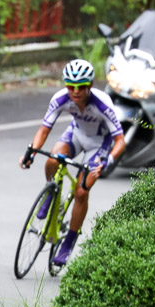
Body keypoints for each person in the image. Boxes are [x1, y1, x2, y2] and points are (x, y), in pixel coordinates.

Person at [19, 59, 126, 265]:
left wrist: (108, 161)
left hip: (99, 144)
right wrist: (31, 152)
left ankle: (68, 242)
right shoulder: (60, 98)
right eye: (70, 86)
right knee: (52, 160)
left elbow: (120, 141)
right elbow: (44, 130)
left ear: (90, 86)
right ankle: (51, 194)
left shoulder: (102, 104)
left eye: (81, 87)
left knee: (81, 191)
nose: (75, 91)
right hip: (76, 134)